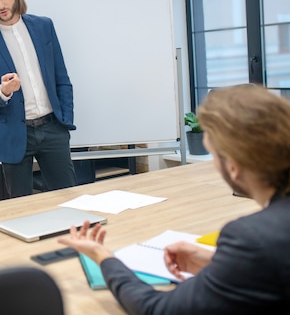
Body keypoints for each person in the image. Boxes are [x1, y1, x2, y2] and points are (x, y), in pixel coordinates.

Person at [59, 84, 290, 315]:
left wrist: (103, 257)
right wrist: (217, 263)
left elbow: (156, 309)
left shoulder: (250, 237)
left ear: (233, 167)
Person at [0, 0, 76, 198]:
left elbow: (62, 79)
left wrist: (65, 121)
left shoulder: (44, 26)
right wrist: (3, 91)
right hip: (14, 134)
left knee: (68, 200)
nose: (1, 5)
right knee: (20, 209)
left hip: (52, 128)